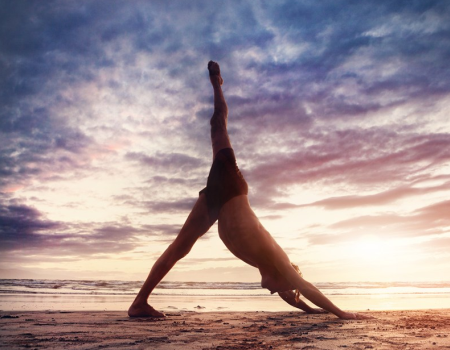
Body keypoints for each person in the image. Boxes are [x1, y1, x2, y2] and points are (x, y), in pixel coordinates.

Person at [128, 61, 371, 320]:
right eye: (288, 287)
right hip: (231, 187)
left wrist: (310, 311)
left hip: (216, 203)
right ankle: (217, 84)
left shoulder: (267, 268)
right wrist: (342, 314)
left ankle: (139, 303)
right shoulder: (275, 256)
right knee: (218, 125)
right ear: (287, 274)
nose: (281, 293)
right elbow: (305, 287)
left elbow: (298, 297)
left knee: (180, 247)